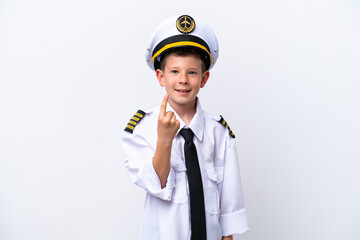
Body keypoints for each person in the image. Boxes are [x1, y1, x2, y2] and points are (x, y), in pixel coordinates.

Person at [120, 15, 249, 240]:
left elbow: (229, 206)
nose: (183, 80)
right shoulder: (142, 129)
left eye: (191, 72)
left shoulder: (219, 133)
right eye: (174, 71)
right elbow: (155, 184)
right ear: (161, 76)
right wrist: (164, 140)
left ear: (204, 78)